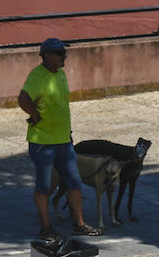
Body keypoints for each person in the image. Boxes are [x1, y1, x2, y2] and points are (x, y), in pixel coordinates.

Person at [18, 38, 100, 242]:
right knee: (44, 186)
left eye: (64, 52)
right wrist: (35, 116)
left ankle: (79, 224)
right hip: (43, 143)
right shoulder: (37, 76)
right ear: (46, 55)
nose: (64, 56)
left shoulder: (61, 74)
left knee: (74, 182)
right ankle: (46, 227)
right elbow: (23, 98)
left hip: (64, 141)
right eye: (59, 53)